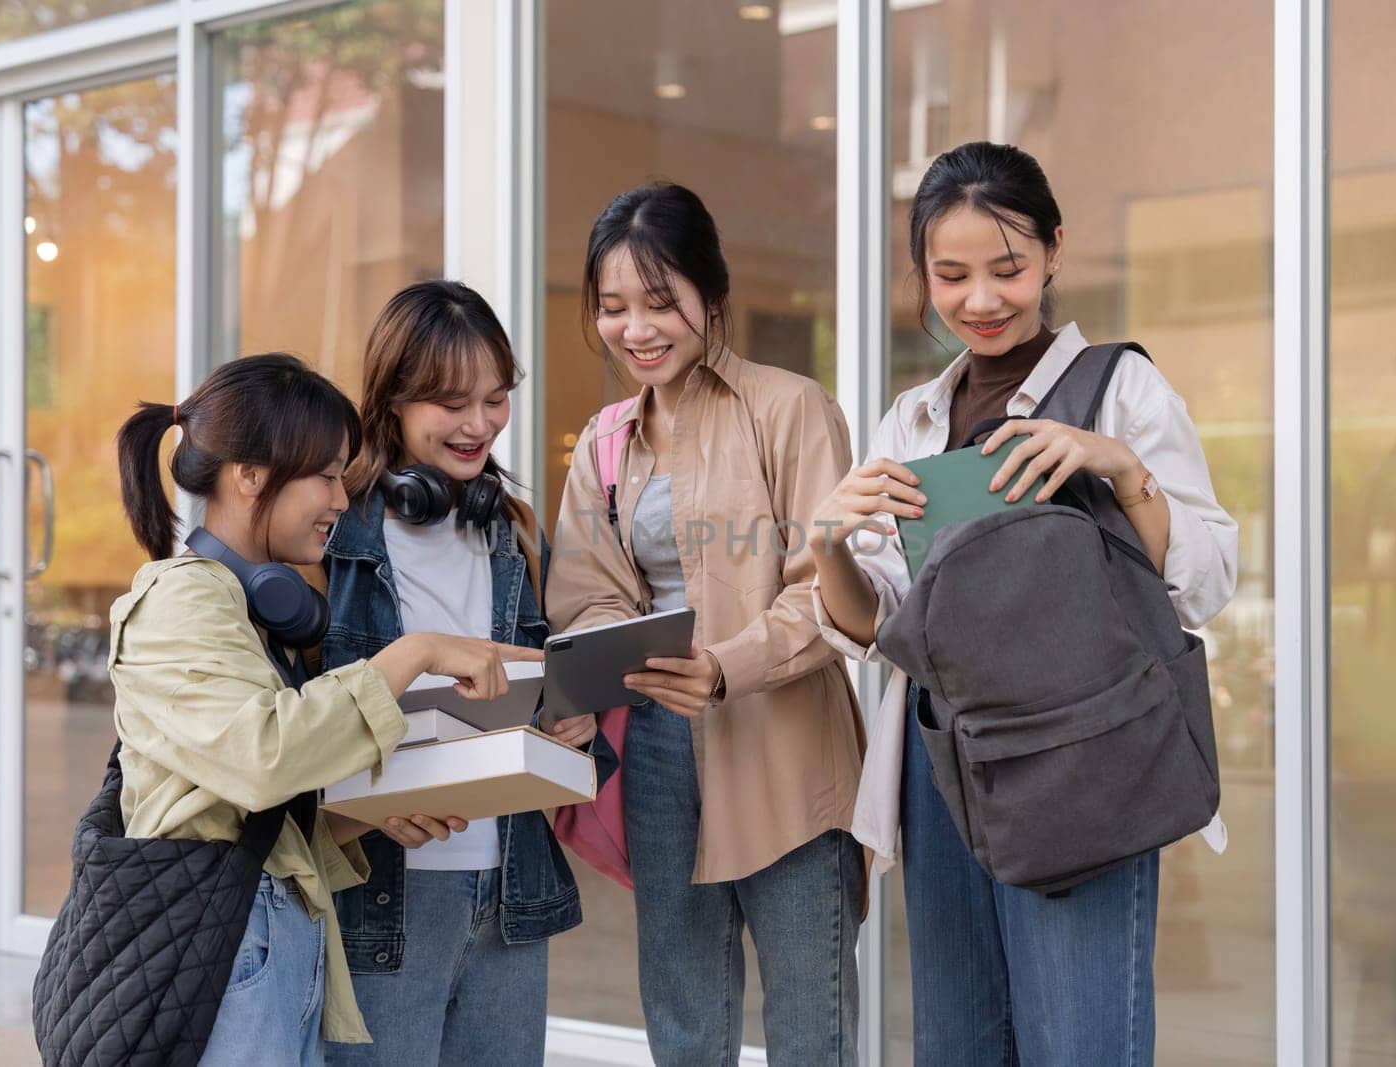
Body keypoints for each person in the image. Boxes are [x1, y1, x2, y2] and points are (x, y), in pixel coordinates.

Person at [809, 141, 1237, 1066]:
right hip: (944, 764)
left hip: (1085, 758)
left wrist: (1120, 467)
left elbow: (1207, 580)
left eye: (1007, 270)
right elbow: (878, 625)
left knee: (1080, 1043)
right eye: (950, 275)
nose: (981, 300)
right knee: (961, 1045)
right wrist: (826, 546)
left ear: (1051, 253)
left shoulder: (1122, 389)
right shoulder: (912, 418)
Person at [110, 352, 532, 1063]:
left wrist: (370, 812)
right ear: (248, 474)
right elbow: (262, 760)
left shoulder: (255, 611)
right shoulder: (180, 597)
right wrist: (415, 652)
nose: (342, 498)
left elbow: (257, 811)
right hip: (226, 939)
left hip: (276, 936)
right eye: (327, 475)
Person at [547, 182, 867, 1066]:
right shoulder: (606, 440)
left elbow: (827, 592)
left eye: (660, 301)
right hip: (655, 747)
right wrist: (610, 651)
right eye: (613, 308)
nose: (636, 329)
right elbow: (588, 591)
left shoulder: (791, 408)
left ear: (711, 296)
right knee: (683, 1013)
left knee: (812, 1021)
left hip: (787, 744)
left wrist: (726, 664)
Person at [321, 281, 602, 1067]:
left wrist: (567, 720)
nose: (480, 423)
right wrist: (367, 796)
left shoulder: (508, 528)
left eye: (495, 397)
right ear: (393, 401)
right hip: (384, 893)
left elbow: (531, 683)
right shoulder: (335, 535)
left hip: (509, 890)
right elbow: (297, 721)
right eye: (452, 401)